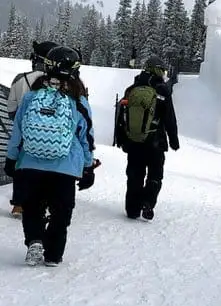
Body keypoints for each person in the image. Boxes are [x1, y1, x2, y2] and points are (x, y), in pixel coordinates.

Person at [3, 46, 96, 266]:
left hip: (30, 163)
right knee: (61, 211)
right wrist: (87, 166)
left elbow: (17, 131)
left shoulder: (32, 97)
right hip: (65, 167)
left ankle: (35, 240)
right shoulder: (79, 102)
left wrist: (11, 158)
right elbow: (86, 138)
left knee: (33, 206)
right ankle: (53, 254)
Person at [114, 56, 179, 220]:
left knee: (134, 174)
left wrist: (121, 138)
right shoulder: (162, 90)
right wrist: (173, 140)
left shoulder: (132, 88)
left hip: (134, 141)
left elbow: (121, 115)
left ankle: (132, 209)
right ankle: (148, 201)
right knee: (155, 175)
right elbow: (169, 117)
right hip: (155, 142)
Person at [6, 40, 59, 217]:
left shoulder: (21, 79)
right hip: (53, 136)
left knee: (21, 165)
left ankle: (19, 204)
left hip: (24, 133)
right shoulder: (61, 82)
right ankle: (46, 203)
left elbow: (11, 108)